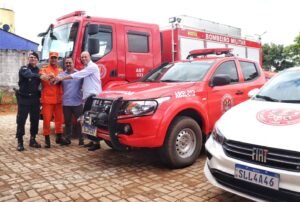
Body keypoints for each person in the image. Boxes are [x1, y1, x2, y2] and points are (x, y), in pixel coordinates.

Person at [55, 51, 102, 151]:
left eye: (85, 57)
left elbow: (77, 75)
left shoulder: (92, 67)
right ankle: (91, 141)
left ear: (89, 57)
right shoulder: (86, 68)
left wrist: (62, 78)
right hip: (87, 97)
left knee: (91, 120)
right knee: (88, 120)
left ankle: (96, 143)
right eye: (82, 57)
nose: (83, 58)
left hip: (92, 96)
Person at [16, 51, 44, 151]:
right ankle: (20, 141)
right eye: (31, 57)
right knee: (21, 120)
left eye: (35, 58)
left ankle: (33, 139)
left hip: (35, 99)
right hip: (24, 98)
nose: (32, 59)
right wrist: (40, 76)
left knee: (35, 120)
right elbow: (29, 75)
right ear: (28, 59)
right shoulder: (24, 69)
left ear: (37, 60)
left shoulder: (40, 70)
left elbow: (44, 84)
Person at [39, 52, 68, 148]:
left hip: (58, 99)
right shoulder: (44, 69)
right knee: (47, 120)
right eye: (52, 58)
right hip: (47, 100)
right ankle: (47, 140)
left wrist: (57, 78)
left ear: (57, 59)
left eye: (55, 58)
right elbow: (42, 76)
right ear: (49, 59)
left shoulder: (61, 70)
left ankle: (59, 137)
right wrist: (49, 77)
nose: (54, 60)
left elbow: (63, 80)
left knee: (59, 119)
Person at [58, 58, 84, 145]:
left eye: (70, 62)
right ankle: (67, 139)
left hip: (78, 102)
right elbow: (55, 83)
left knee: (80, 121)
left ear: (73, 63)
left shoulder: (79, 74)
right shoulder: (61, 75)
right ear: (65, 64)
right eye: (66, 63)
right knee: (68, 122)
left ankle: (81, 140)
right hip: (66, 103)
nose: (68, 64)